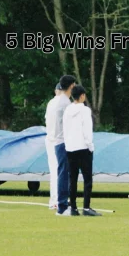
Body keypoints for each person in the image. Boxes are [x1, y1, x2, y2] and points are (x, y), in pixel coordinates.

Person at [63, 85, 100, 216]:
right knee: (87, 178)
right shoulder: (85, 110)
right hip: (83, 147)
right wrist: (90, 145)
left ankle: (73, 207)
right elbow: (87, 130)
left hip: (70, 148)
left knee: (72, 178)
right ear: (82, 96)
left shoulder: (67, 110)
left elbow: (65, 129)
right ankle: (86, 207)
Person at [46, 75, 75, 216]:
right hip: (62, 141)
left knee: (58, 172)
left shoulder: (55, 102)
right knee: (63, 173)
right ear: (71, 86)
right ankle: (61, 205)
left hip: (54, 139)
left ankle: (59, 202)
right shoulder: (65, 104)